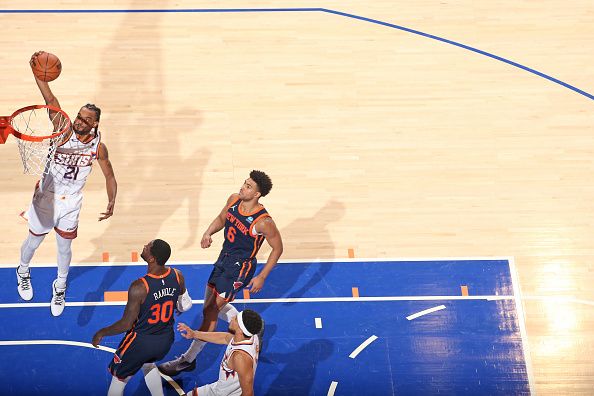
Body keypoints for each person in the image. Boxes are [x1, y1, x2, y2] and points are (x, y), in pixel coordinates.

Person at [15, 51, 118, 316]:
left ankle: (59, 286)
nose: (78, 121)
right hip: (47, 196)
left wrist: (112, 200)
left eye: (85, 119)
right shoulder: (63, 130)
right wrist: (38, 75)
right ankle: (23, 270)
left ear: (95, 124)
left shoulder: (98, 147)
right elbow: (50, 99)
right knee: (34, 242)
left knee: (64, 246)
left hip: (72, 201)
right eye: (78, 116)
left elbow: (109, 175)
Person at [159, 170, 283, 376]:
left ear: (257, 194)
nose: (243, 187)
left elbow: (278, 249)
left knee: (210, 311)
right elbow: (221, 218)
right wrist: (208, 232)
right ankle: (252, 327)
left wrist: (261, 276)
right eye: (245, 183)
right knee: (209, 306)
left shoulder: (263, 222)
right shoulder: (234, 199)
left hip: (239, 269)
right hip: (223, 259)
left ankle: (187, 360)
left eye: (249, 186)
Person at [92, 239, 193, 396]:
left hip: (140, 343)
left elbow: (126, 324)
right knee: (148, 363)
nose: (145, 246)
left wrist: (101, 333)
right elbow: (185, 305)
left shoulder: (139, 286)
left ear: (152, 258)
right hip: (165, 340)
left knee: (118, 381)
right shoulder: (177, 276)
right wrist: (175, 305)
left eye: (148, 246)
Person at [177, 309, 263, 396]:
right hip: (221, 388)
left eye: (236, 319)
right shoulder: (251, 336)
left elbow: (248, 393)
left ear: (240, 330)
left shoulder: (239, 357)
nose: (232, 318)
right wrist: (194, 334)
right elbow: (225, 338)